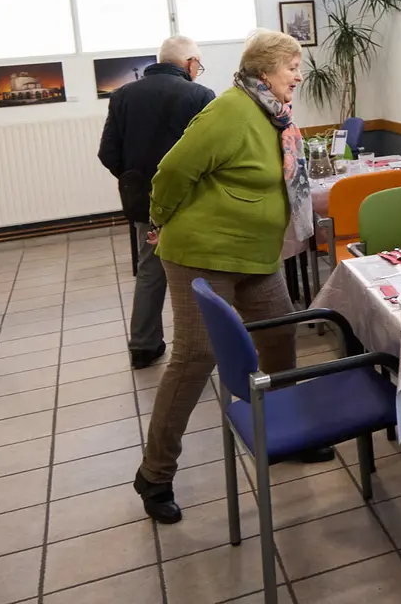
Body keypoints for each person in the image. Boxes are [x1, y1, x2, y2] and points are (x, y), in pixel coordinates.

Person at [134, 29, 320, 524]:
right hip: (201, 253)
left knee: (280, 334)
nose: (299, 75)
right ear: (264, 72)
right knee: (197, 355)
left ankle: (286, 433)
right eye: (291, 67)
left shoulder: (273, 114)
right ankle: (155, 474)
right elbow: (171, 171)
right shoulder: (230, 111)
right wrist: (159, 220)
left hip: (255, 256)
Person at [97, 35, 215, 370]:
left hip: (145, 201)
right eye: (198, 65)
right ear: (190, 63)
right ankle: (199, 343)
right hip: (192, 198)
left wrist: (135, 178)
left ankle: (144, 346)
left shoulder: (122, 95)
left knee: (150, 270)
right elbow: (213, 151)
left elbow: (108, 152)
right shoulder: (200, 95)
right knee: (198, 270)